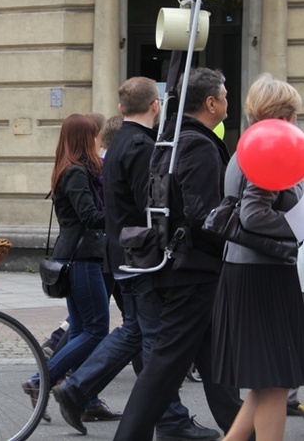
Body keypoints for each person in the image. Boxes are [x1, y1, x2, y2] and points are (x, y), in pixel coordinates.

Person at [52, 77, 219, 440]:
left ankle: (79, 388)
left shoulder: (118, 141)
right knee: (152, 336)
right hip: (139, 254)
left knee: (139, 331)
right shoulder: (142, 146)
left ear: (120, 108)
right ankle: (168, 419)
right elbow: (153, 205)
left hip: (121, 253)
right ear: (156, 105)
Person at [113, 68, 244, 441]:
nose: (227, 102)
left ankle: (242, 432)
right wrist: (245, 229)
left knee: (216, 364)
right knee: (164, 366)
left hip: (187, 268)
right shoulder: (198, 144)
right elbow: (205, 215)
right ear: (210, 102)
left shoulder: (172, 140)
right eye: (225, 95)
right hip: (194, 271)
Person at [212, 73, 304, 441]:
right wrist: (297, 228)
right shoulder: (273, 147)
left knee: (267, 381)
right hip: (264, 275)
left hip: (248, 273)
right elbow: (253, 214)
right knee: (277, 380)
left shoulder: (247, 147)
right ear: (284, 115)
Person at [22, 113, 109, 421]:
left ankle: (67, 390)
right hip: (80, 258)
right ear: (84, 139)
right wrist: (121, 213)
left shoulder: (72, 168)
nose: (98, 142)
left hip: (75, 256)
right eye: (94, 137)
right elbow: (89, 216)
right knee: (97, 329)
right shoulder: (75, 172)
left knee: (81, 329)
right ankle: (40, 381)